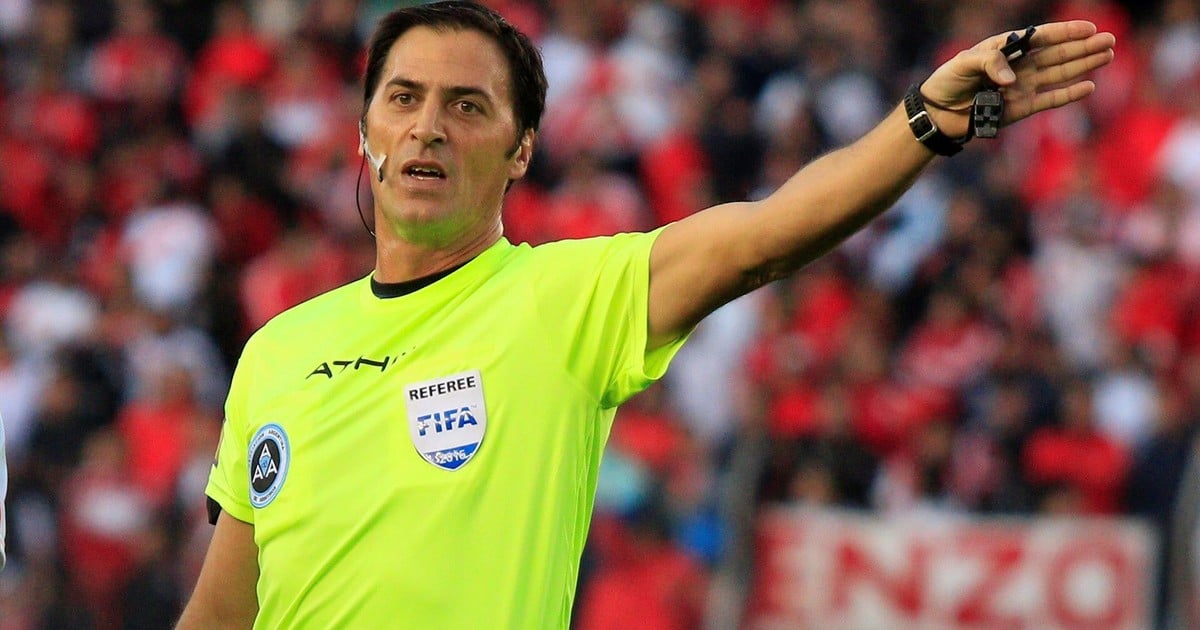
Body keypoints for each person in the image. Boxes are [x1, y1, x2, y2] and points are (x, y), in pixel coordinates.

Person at [177, 2, 1115, 627]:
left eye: (467, 106)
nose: (428, 126)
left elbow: (768, 234)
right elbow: (222, 612)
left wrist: (924, 121)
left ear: (521, 151)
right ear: (363, 132)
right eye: (404, 99)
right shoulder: (278, 351)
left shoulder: (564, 299)